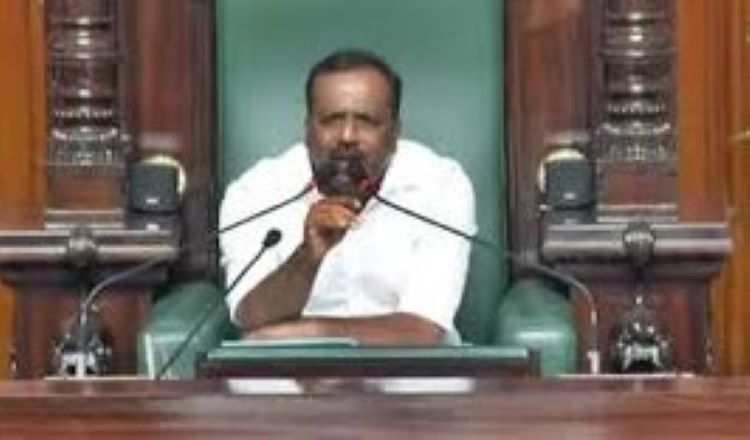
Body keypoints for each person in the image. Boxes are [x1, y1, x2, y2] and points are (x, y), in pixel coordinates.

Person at [220, 48, 476, 345]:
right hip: (291, 369)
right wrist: (307, 257)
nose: (347, 136)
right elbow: (250, 316)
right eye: (331, 120)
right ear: (307, 128)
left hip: (410, 369)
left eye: (366, 121)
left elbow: (424, 330)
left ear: (396, 132)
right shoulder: (256, 192)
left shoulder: (440, 185)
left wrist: (307, 333)